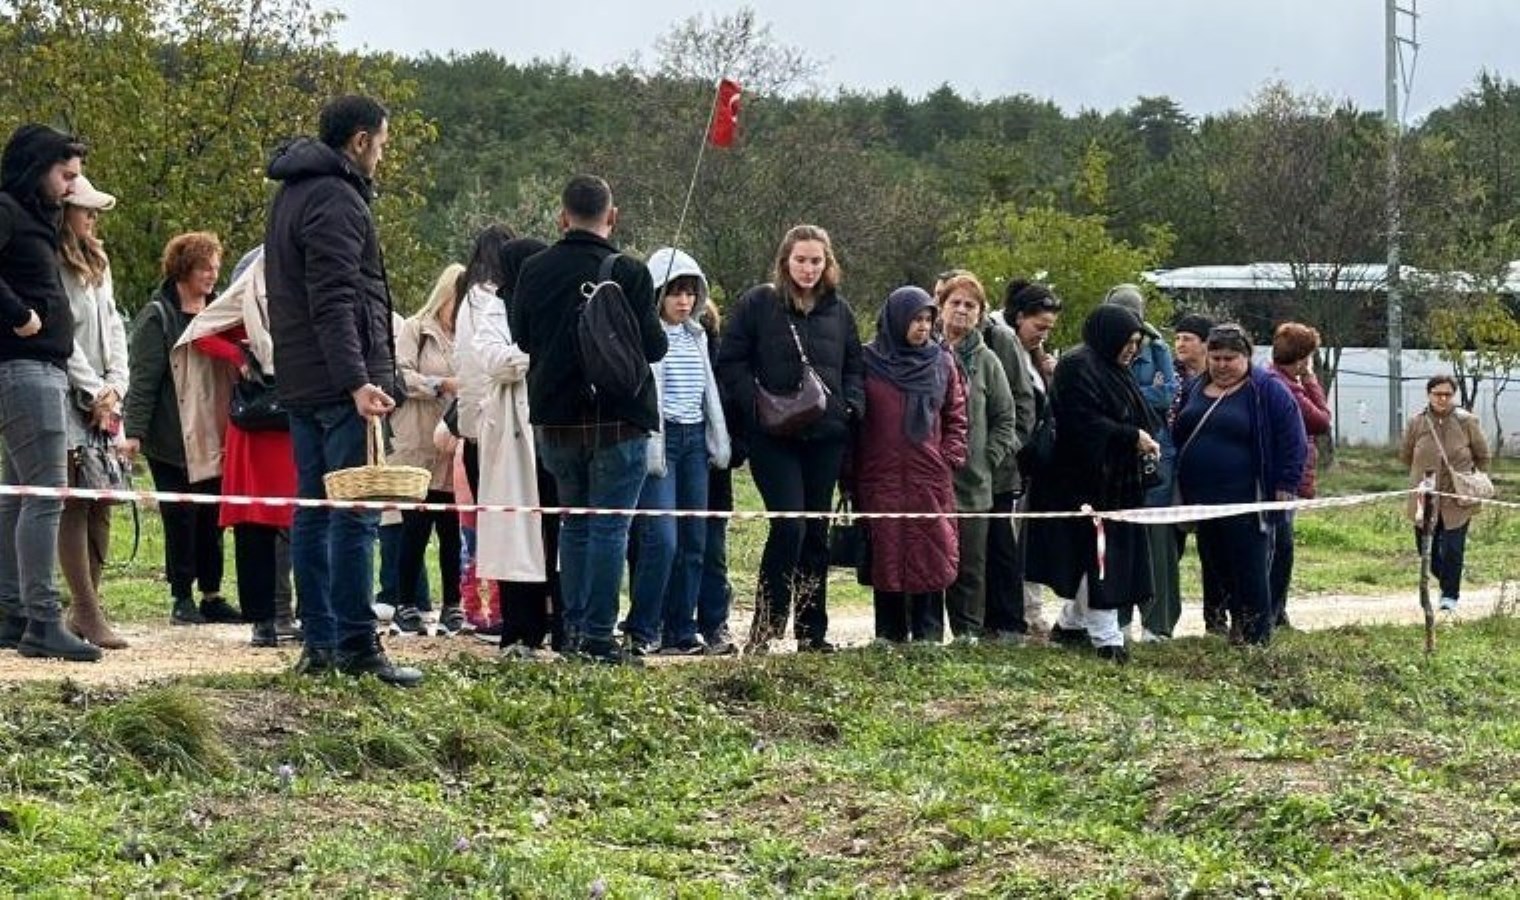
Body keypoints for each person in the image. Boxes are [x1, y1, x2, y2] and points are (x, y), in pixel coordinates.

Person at [264, 93, 421, 686]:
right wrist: (360, 380)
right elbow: (334, 301)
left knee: (313, 510)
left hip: (304, 380)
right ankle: (354, 644)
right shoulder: (336, 198)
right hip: (339, 383)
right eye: (381, 144)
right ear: (359, 142)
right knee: (353, 513)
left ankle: (322, 642)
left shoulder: (292, 194)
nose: (381, 155)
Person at [511, 175, 665, 665]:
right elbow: (655, 346)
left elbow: (522, 338)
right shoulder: (631, 272)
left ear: (562, 217)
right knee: (609, 528)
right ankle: (600, 637)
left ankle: (573, 633)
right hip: (618, 418)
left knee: (575, 525)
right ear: (612, 217)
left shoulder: (533, 269)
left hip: (554, 420)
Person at [717, 224, 865, 654]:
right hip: (774, 437)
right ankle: (764, 630)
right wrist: (756, 407)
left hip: (826, 437)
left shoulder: (840, 311)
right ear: (786, 261)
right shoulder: (758, 303)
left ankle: (811, 631)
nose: (808, 268)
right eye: (800, 259)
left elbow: (855, 364)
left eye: (816, 260)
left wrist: (850, 405)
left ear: (828, 263)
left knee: (815, 532)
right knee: (789, 527)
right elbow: (732, 361)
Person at [0, 124, 101, 662]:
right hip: (27, 371)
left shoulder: (33, 220)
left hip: (35, 371)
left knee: (18, 498)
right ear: (38, 166)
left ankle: (14, 613)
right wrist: (19, 315)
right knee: (45, 497)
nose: (70, 186)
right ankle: (41, 620)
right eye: (66, 175)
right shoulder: (9, 212)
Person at [176, 245, 299, 647]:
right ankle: (263, 620)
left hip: (294, 424)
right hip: (254, 426)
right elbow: (200, 333)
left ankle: (300, 613)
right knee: (254, 527)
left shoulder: (301, 296)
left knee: (302, 522)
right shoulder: (241, 300)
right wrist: (241, 354)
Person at [1025, 305, 1159, 662]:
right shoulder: (1077, 366)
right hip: (1080, 484)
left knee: (1102, 559)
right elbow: (1080, 423)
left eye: (1136, 342)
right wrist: (1130, 436)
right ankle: (1106, 637)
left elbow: (1138, 412)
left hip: (1117, 483)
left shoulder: (1117, 369)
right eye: (1127, 341)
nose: (1132, 349)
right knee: (1099, 557)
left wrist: (1141, 438)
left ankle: (1071, 624)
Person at [124, 231, 237, 626]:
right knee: (180, 516)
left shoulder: (221, 311)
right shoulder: (158, 316)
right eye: (205, 266)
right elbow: (144, 379)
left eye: (216, 267)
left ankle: (212, 593)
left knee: (212, 516)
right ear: (184, 268)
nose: (212, 274)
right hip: (171, 437)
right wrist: (134, 432)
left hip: (214, 431)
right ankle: (181, 595)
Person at [624, 248, 731, 656]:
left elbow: (708, 396)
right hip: (660, 444)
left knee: (693, 539)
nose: (683, 301)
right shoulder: (648, 337)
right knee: (661, 539)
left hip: (694, 443)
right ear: (658, 295)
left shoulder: (697, 336)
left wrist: (716, 441)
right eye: (674, 293)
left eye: (690, 293)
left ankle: (681, 630)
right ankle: (641, 628)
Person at [1172, 324, 1306, 646]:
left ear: (1246, 357)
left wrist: (1286, 482)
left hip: (1247, 498)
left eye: (1229, 358)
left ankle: (1257, 635)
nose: (1221, 365)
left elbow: (1294, 438)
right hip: (1203, 498)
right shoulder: (1195, 387)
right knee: (1216, 564)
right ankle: (1234, 624)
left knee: (1250, 568)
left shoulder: (1268, 390)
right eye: (1215, 357)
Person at [855, 286, 967, 642]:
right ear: (896, 320)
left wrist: (949, 457)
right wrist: (851, 471)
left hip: (928, 476)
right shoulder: (867, 361)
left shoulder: (941, 361)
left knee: (930, 552)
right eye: (915, 319)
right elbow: (855, 419)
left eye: (927, 319)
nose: (922, 327)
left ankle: (928, 634)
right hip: (880, 475)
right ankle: (888, 634)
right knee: (886, 553)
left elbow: (956, 415)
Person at [470, 234, 563, 656]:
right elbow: (493, 359)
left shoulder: (552, 300)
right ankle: (519, 630)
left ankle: (565, 624)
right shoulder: (492, 307)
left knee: (561, 531)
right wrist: (538, 353)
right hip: (512, 433)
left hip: (555, 425)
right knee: (517, 532)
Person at [56, 175, 130, 649]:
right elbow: (65, 335)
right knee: (76, 500)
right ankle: (84, 607)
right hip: (70, 395)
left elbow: (115, 331)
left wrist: (116, 389)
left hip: (104, 399)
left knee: (103, 497)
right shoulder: (55, 264)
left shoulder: (99, 263)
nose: (93, 217)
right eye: (85, 209)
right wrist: (93, 392)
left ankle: (87, 607)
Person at [936, 273, 1014, 641]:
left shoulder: (988, 361)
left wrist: (987, 458)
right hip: (929, 479)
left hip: (973, 483)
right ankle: (926, 633)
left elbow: (1006, 417)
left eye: (971, 305)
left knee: (971, 566)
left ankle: (967, 632)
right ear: (941, 307)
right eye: (955, 303)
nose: (962, 310)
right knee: (928, 558)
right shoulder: (924, 351)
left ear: (981, 313)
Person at [1103, 284, 1181, 642]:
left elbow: (1166, 395)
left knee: (1157, 543)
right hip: (1115, 456)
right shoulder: (1100, 349)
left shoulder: (1157, 348)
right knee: (1118, 541)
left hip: (1155, 457)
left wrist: (1123, 395)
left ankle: (1157, 623)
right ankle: (1116, 621)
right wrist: (1138, 396)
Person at [391, 263, 464, 634]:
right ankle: (406, 603)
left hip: (452, 445)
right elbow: (400, 375)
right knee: (414, 527)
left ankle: (453, 603)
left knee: (452, 528)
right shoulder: (414, 329)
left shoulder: (469, 334)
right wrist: (442, 384)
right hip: (417, 440)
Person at [969, 274, 1036, 644]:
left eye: (968, 302)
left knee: (999, 545)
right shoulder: (936, 340)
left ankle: (1008, 623)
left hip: (998, 466)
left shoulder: (1001, 339)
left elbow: (1022, 403)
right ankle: (974, 622)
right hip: (959, 470)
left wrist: (1003, 449)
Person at [1400, 374, 1491, 613]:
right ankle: (1447, 577)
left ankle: (1450, 596)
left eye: (1447, 394)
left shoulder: (1466, 421)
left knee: (1453, 547)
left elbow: (1483, 455)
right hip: (1425, 497)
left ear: (1454, 396)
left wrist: (1472, 479)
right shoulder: (1416, 422)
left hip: (1457, 499)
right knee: (1425, 548)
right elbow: (1406, 455)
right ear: (1428, 394)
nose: (1442, 398)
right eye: (1437, 394)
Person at [1003, 280, 1062, 638]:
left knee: (1026, 539)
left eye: (1049, 329)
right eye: (1038, 327)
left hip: (1033, 464)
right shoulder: (1005, 347)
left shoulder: (1036, 357)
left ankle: (1031, 612)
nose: (1043, 334)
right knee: (1011, 541)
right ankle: (1019, 613)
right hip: (1012, 458)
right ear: (1019, 317)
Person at [1268, 322, 1332, 628]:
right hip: (1286, 478)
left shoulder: (1269, 377)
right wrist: (1311, 381)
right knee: (1281, 548)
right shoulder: (1289, 386)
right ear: (1302, 358)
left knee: (1279, 546)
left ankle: (1276, 610)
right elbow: (1321, 420)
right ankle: (1274, 611)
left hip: (1282, 476)